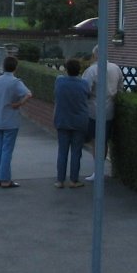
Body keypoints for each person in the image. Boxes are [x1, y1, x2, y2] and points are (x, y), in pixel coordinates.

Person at [0, 56, 32, 188]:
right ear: (15, 67)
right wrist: (19, 103)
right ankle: (5, 179)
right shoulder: (15, 82)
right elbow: (28, 94)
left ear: (3, 66)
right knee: (7, 150)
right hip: (10, 120)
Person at [82, 45, 124, 181]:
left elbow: (85, 90)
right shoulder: (115, 68)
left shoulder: (91, 71)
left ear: (95, 55)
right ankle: (101, 169)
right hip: (110, 110)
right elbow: (120, 88)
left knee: (95, 141)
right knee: (104, 141)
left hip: (94, 110)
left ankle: (97, 171)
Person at [53, 58, 90, 188]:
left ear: (66, 69)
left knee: (62, 151)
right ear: (79, 70)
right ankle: (74, 180)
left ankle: (60, 180)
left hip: (62, 120)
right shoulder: (84, 84)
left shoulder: (60, 81)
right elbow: (88, 96)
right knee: (76, 152)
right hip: (79, 121)